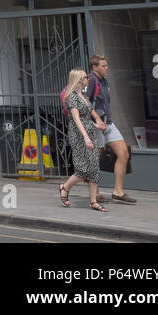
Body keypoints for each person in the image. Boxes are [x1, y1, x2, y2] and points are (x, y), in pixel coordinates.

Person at [86, 53, 136, 204]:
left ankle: (118, 192)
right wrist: (96, 121)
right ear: (94, 67)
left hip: (108, 123)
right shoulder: (91, 80)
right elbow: (84, 103)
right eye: (103, 66)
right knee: (95, 159)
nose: (107, 68)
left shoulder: (104, 81)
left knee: (123, 153)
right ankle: (96, 193)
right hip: (96, 125)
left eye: (107, 65)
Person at [60, 69, 107, 213]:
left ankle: (93, 201)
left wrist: (97, 124)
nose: (88, 79)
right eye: (86, 77)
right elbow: (76, 119)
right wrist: (86, 137)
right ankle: (65, 187)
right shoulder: (71, 97)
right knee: (83, 168)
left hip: (90, 133)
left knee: (94, 168)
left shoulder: (84, 97)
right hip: (79, 135)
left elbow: (89, 116)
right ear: (79, 79)